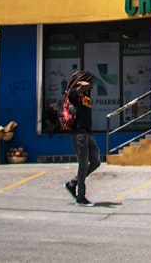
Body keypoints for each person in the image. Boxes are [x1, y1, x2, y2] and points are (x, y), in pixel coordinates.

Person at [62, 70, 100, 207]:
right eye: (91, 82)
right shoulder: (73, 94)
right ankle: (81, 197)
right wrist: (81, 84)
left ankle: (73, 183)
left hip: (88, 133)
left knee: (96, 161)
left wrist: (86, 87)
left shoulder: (87, 95)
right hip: (79, 133)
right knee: (83, 164)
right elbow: (76, 91)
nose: (92, 85)